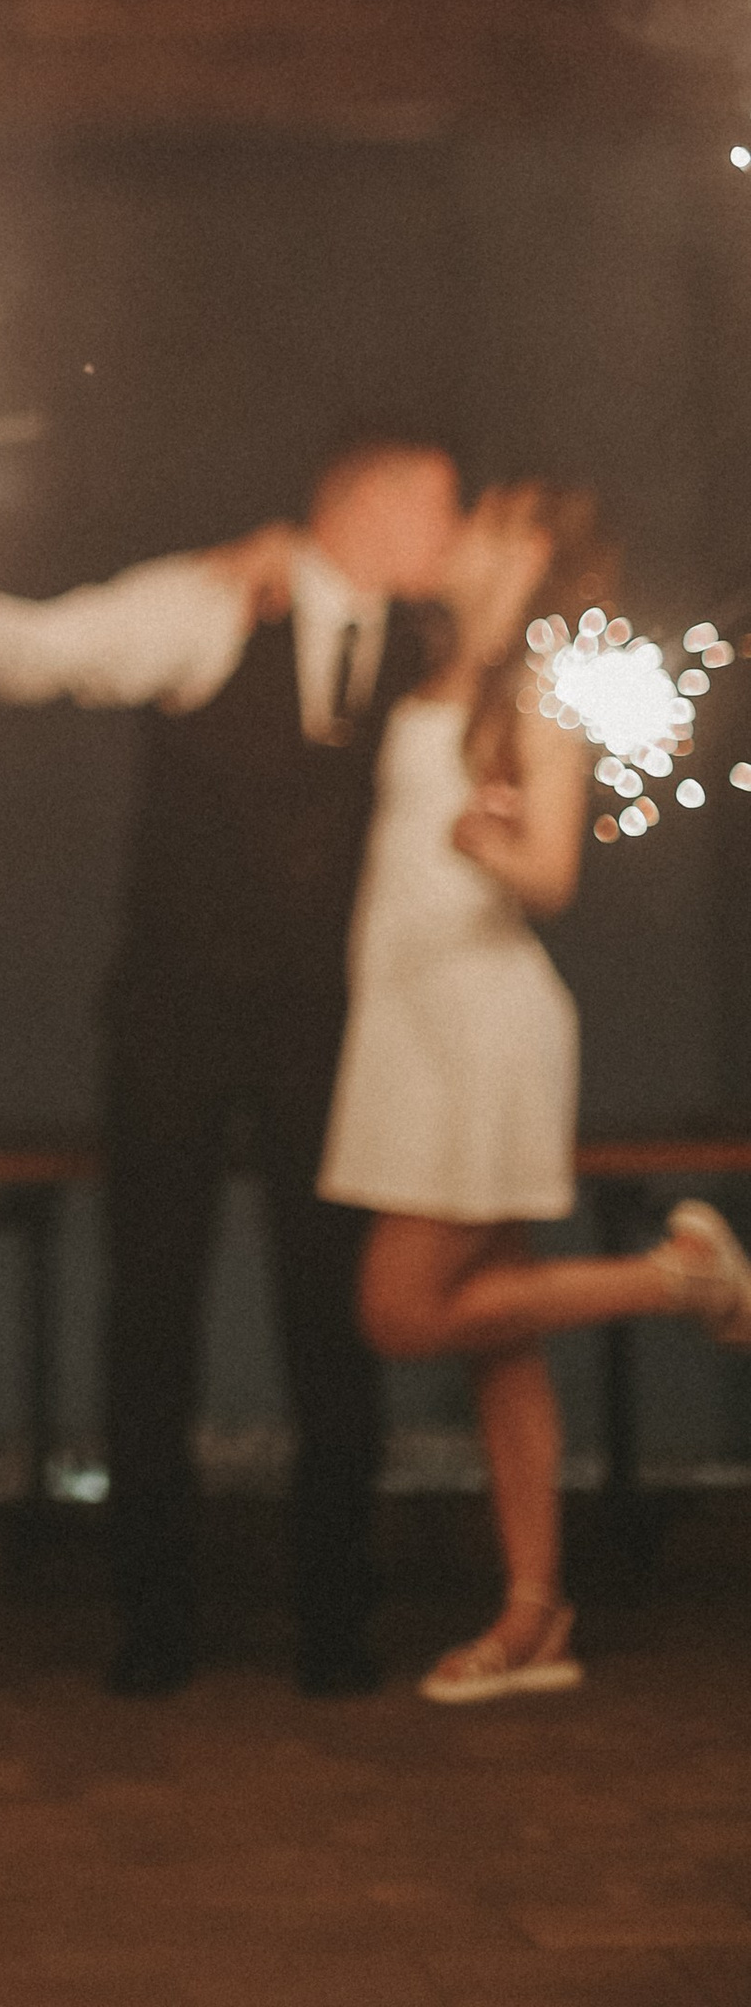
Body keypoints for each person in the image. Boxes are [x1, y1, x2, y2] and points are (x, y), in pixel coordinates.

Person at [0, 435, 464, 1697]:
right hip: (174, 1016)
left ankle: (336, 1623)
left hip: (327, 1027)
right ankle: (152, 1622)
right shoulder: (216, 599)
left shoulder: (428, 638)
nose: (453, 527)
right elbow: (59, 650)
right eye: (437, 504)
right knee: (151, 1307)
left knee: (330, 1314)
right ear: (366, 502)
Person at [320, 484, 751, 1701]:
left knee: (399, 1312)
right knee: (496, 1337)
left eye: (489, 515)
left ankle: (677, 1278)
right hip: (408, 1030)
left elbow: (551, 872)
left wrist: (485, 844)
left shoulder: (542, 693)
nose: (459, 528)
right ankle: (533, 1614)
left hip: (477, 1031)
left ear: (528, 553)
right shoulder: (435, 678)